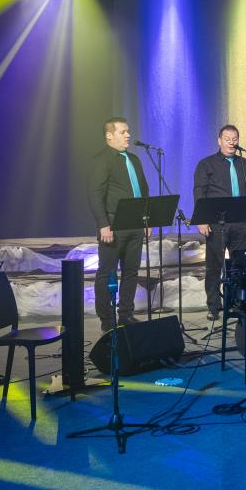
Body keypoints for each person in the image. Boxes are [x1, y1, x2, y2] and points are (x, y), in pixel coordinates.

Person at [86, 117, 149, 331]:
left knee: (131, 271)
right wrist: (103, 224)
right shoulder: (102, 160)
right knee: (107, 272)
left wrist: (147, 219)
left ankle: (125, 314)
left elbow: (143, 190)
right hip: (113, 224)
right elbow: (95, 194)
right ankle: (106, 319)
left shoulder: (134, 159)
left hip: (136, 223)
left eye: (128, 131)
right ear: (109, 136)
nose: (128, 135)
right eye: (123, 132)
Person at [194, 124, 246, 320]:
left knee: (238, 265)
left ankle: (235, 303)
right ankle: (214, 306)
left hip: (239, 221)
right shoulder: (207, 164)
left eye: (235, 139)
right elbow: (199, 192)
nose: (232, 142)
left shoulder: (244, 164)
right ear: (219, 141)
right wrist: (202, 219)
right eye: (227, 139)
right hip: (216, 223)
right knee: (214, 266)